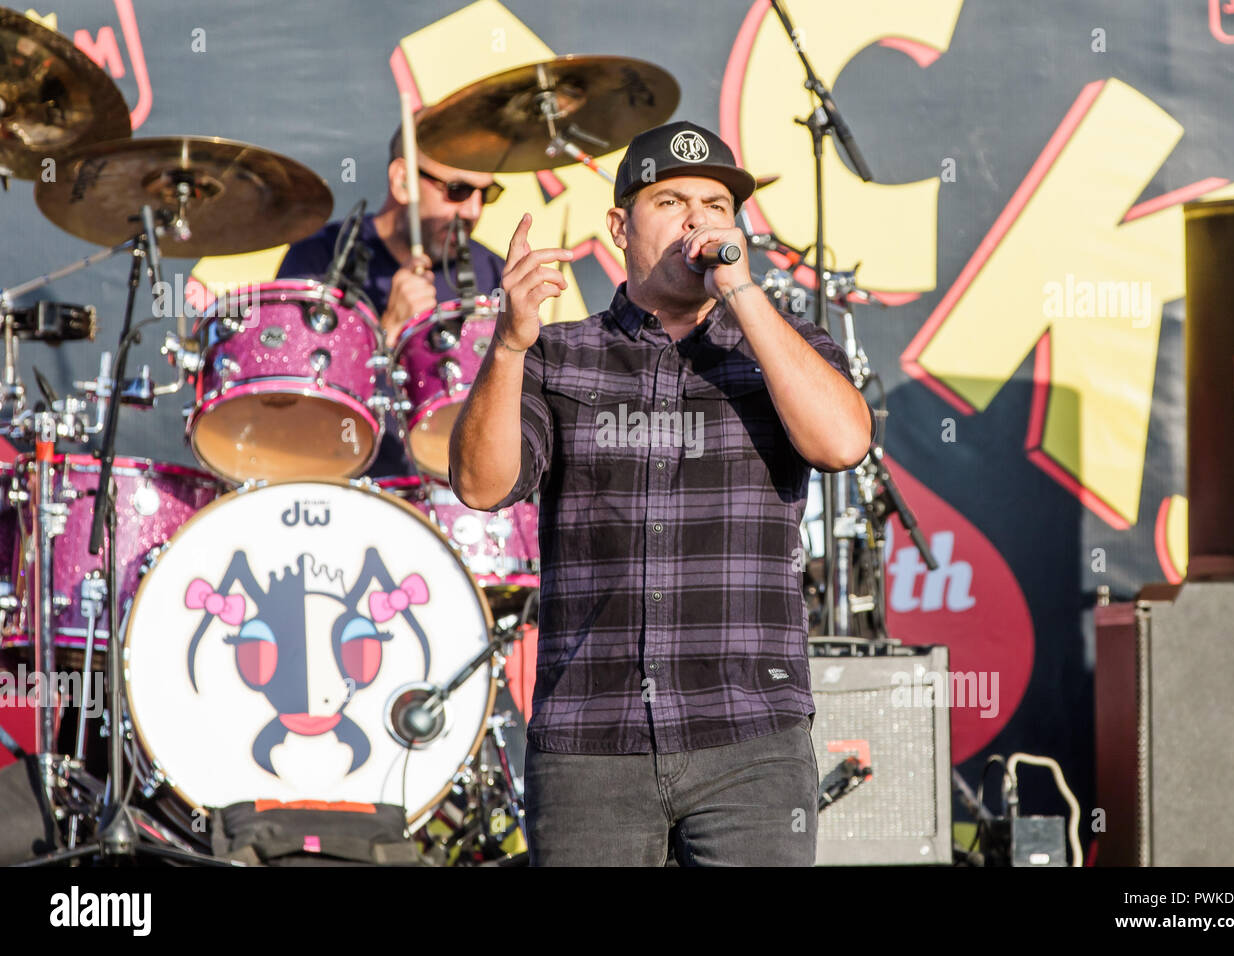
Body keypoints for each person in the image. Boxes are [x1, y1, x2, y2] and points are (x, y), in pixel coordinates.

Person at [448, 121, 875, 866]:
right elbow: (483, 485)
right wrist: (510, 343)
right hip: (591, 738)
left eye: (716, 204)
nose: (698, 220)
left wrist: (740, 290)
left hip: (750, 734)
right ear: (619, 226)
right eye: (671, 201)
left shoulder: (786, 346)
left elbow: (841, 442)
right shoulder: (558, 354)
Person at [277, 127, 506, 474]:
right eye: (457, 191)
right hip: (341, 486)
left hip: (459, 499)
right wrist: (387, 330)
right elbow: (286, 405)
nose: (474, 210)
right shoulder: (319, 258)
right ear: (402, 181)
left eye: (486, 194)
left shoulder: (492, 270)